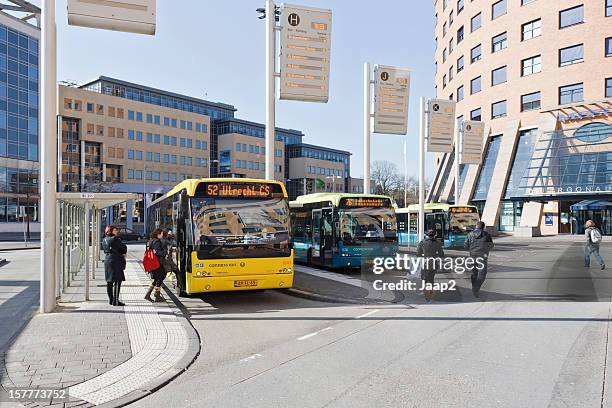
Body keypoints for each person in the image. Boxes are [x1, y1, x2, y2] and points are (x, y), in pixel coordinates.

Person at [464, 221, 494, 298]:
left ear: (476, 226)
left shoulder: (470, 234)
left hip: (473, 256)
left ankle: (474, 287)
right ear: (483, 227)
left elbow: (466, 246)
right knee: (482, 274)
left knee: (474, 273)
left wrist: (472, 249)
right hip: (483, 257)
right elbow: (491, 246)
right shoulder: (487, 235)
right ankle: (476, 288)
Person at [102, 225, 127, 306]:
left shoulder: (104, 239)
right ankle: (116, 301)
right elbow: (124, 248)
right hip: (116, 260)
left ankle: (111, 300)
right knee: (117, 280)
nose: (117, 231)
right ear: (111, 231)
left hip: (107, 260)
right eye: (115, 230)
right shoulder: (115, 239)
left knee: (109, 281)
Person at [416, 229, 445, 301]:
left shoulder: (422, 242)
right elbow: (441, 254)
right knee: (431, 278)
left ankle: (427, 295)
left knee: (425, 279)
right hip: (434, 263)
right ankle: (430, 293)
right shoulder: (437, 242)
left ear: (427, 234)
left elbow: (418, 254)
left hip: (425, 263)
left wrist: (423, 255)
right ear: (434, 235)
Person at [144, 228, 167, 302]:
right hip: (157, 263)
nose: (162, 235)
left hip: (154, 263)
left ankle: (149, 294)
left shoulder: (152, 240)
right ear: (158, 234)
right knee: (161, 276)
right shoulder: (157, 241)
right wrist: (164, 252)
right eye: (162, 234)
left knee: (157, 279)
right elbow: (157, 252)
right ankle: (156, 295)